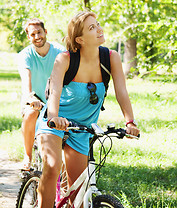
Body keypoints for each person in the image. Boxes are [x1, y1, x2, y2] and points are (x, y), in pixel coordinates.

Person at [35, 11, 140, 208]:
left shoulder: (111, 58)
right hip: (54, 122)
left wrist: (130, 122)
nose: (99, 29)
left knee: (79, 194)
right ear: (80, 39)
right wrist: (54, 117)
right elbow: (55, 93)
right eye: (92, 27)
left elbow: (121, 93)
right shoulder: (64, 59)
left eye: (98, 24)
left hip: (82, 128)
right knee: (52, 166)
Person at [18, 18, 65, 170]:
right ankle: (28, 156)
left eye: (39, 32)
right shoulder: (25, 55)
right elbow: (26, 80)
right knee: (31, 113)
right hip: (36, 98)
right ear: (28, 37)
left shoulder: (60, 52)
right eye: (33, 34)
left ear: (45, 32)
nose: (37, 37)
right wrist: (30, 97)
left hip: (56, 98)